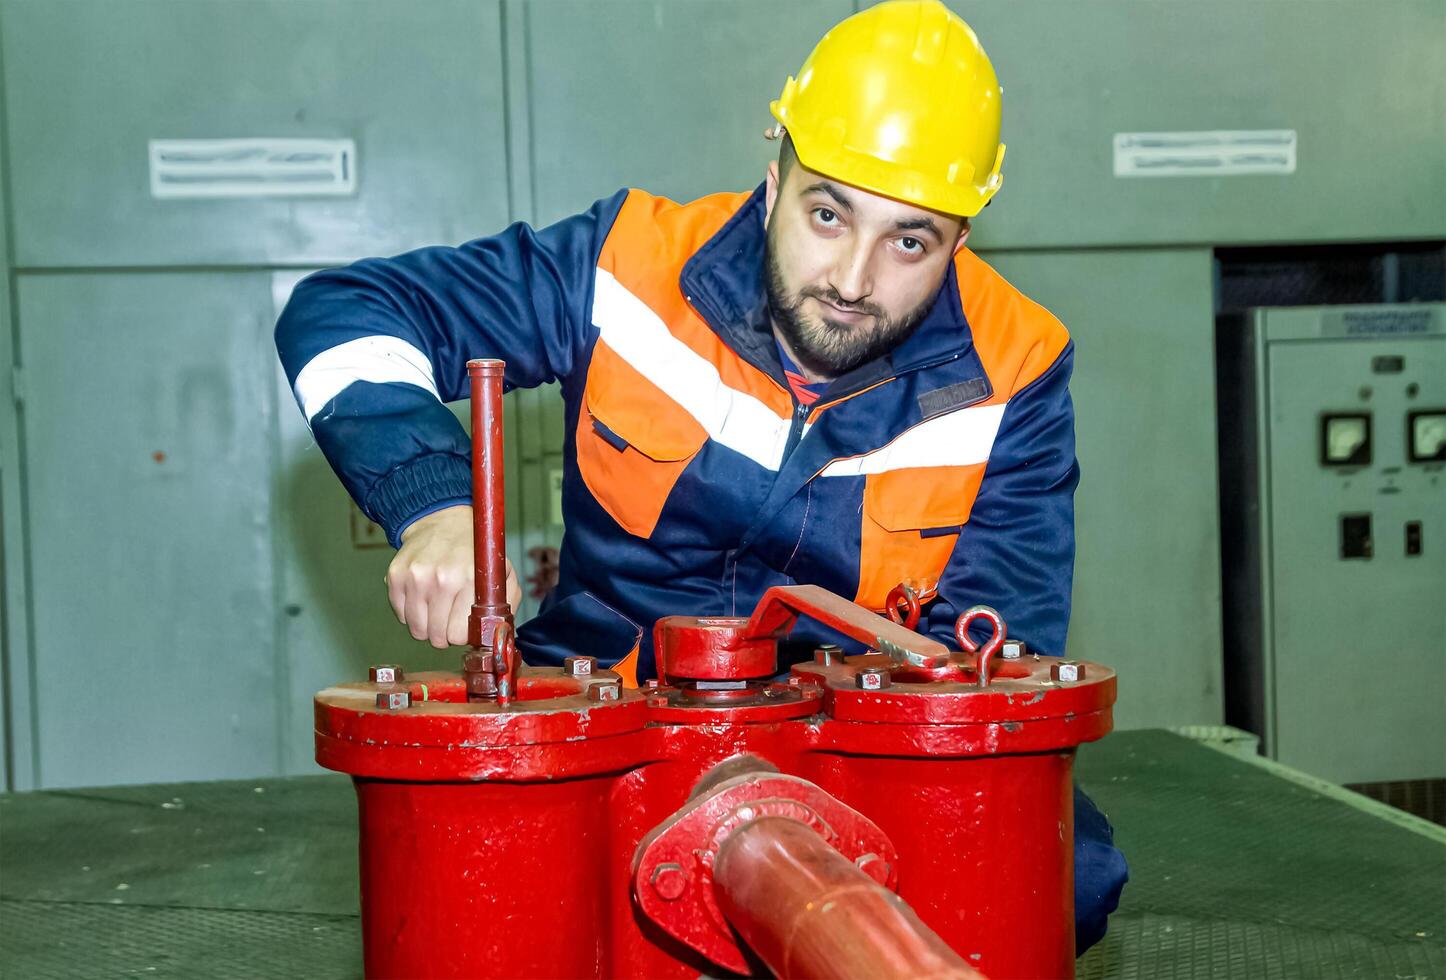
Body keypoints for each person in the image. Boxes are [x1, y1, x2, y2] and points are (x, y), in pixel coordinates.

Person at [275, 0, 1126, 952]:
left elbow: (989, 667)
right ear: (773, 185)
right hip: (601, 724)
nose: (851, 277)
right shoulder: (626, 266)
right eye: (828, 213)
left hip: (842, 753)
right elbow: (348, 310)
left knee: (1063, 874)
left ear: (960, 243)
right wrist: (431, 505)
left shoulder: (1017, 369)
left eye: (910, 241)